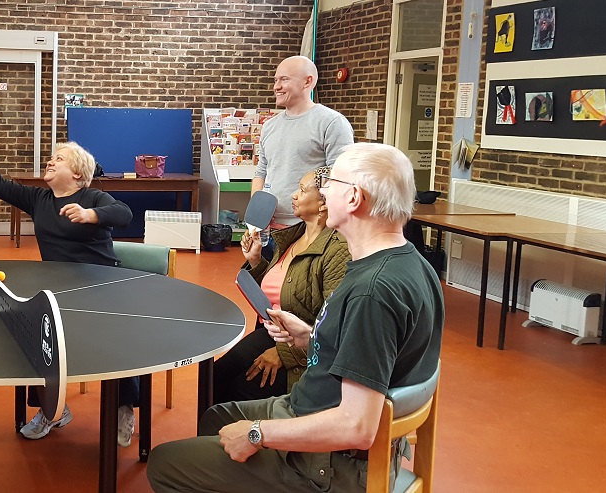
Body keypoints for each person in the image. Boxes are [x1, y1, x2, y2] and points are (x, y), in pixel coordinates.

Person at [147, 143, 443, 493]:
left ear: (353, 199)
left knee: (163, 465)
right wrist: (313, 338)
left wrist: (257, 433)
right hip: (313, 410)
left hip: (330, 464)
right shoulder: (412, 264)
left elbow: (357, 426)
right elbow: (375, 353)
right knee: (217, 417)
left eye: (330, 182)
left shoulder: (372, 292)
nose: (323, 189)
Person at [0, 136, 138, 446]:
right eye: (51, 157)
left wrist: (92, 215)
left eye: (59, 159)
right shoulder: (39, 199)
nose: (50, 161)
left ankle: (123, 406)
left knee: (117, 342)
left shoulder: (94, 197)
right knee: (32, 334)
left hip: (99, 287)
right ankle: (54, 410)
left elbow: (124, 213)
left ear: (77, 173)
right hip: (59, 290)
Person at [212, 166, 349, 404]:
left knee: (238, 392)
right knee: (214, 377)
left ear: (324, 203)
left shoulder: (338, 250)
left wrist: (285, 354)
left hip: (303, 349)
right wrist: (255, 260)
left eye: (303, 190)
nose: (293, 196)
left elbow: (334, 327)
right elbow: (281, 289)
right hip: (274, 333)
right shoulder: (291, 237)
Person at [253, 55, 354, 228]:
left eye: (284, 79)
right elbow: (261, 172)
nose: (277, 86)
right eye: (276, 80)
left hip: (309, 228)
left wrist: (317, 224)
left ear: (308, 82)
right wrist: (258, 212)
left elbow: (339, 179)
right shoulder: (269, 126)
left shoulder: (331, 122)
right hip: (269, 226)